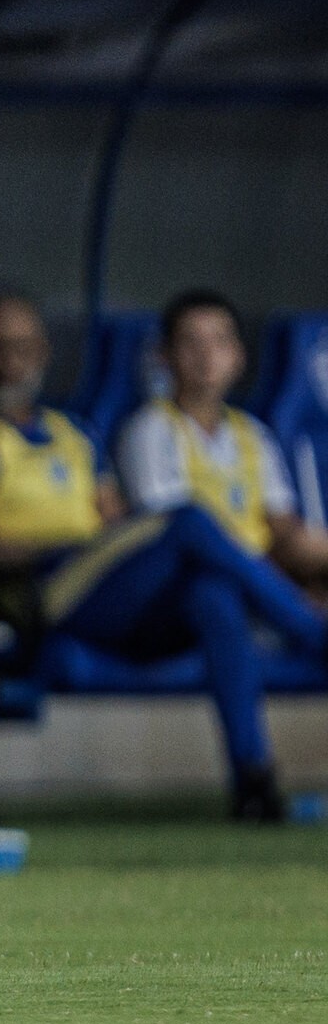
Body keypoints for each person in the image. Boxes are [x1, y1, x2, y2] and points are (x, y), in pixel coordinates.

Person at [67, 290, 328, 819]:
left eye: (219, 342)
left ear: (239, 356)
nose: (207, 356)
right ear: (165, 357)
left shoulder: (254, 437)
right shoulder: (150, 429)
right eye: (191, 343)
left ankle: (253, 778)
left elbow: (289, 536)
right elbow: (172, 539)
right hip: (142, 605)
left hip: (215, 603)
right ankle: (315, 635)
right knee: (191, 526)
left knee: (215, 596)